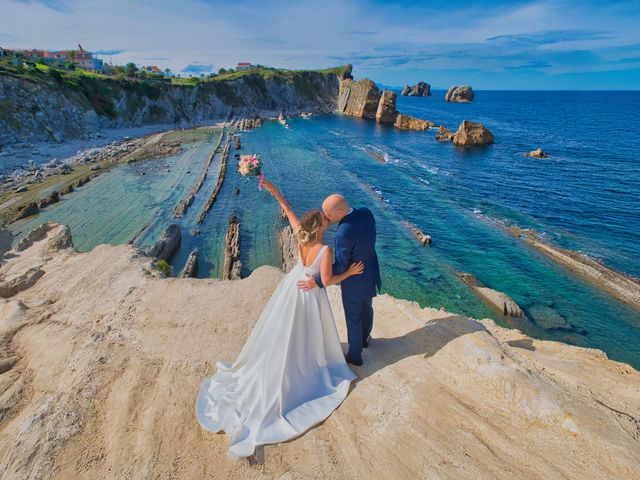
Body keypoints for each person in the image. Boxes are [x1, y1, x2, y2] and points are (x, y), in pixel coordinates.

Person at [195, 179, 362, 459]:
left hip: (292, 287)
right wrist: (350, 273)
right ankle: (304, 367)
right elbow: (328, 280)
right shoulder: (325, 250)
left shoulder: (299, 235)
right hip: (308, 293)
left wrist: (269, 185)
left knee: (284, 333)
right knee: (306, 334)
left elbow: (284, 205)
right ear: (320, 227)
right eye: (324, 220)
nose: (327, 221)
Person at [298, 194, 381, 366]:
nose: (327, 218)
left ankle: (355, 356)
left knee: (354, 319)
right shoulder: (366, 212)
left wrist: (318, 280)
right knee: (367, 309)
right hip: (371, 273)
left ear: (341, 211)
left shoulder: (342, 233)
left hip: (353, 281)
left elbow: (341, 267)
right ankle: (365, 339)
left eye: (329, 215)